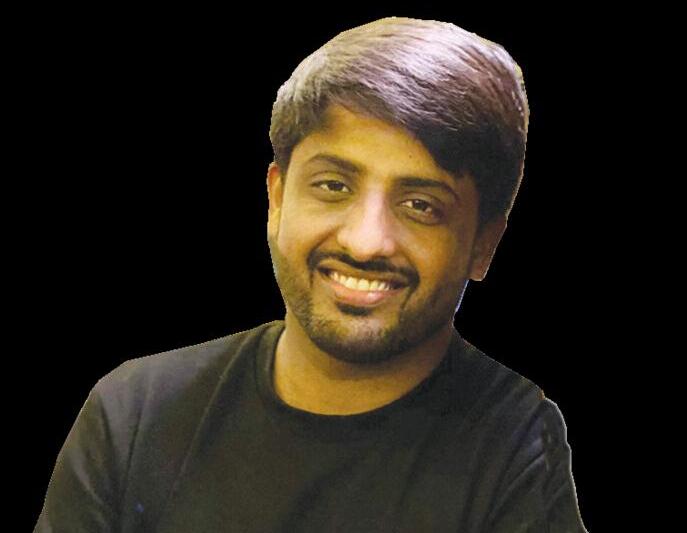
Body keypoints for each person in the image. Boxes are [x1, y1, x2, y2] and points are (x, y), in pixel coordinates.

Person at [35, 16, 587, 532]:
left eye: (421, 205)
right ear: (276, 198)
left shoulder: (516, 450)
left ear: (484, 243)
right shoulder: (134, 415)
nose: (364, 241)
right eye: (333, 186)